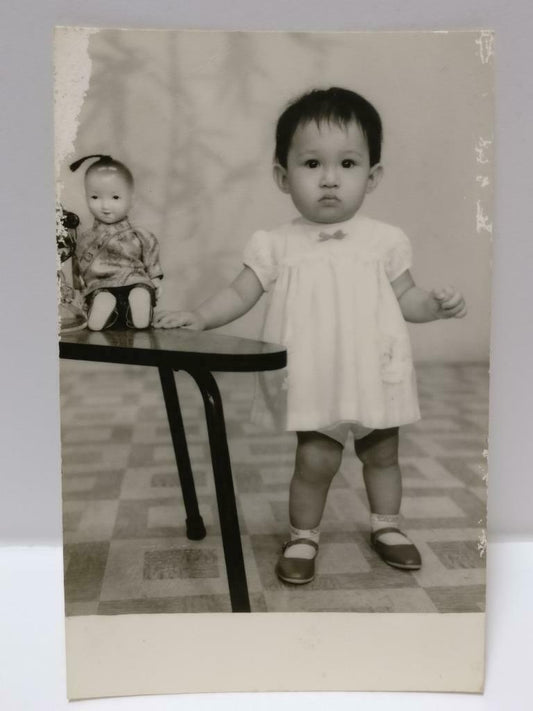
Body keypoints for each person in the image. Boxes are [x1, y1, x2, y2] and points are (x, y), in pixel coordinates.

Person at [154, 87, 467, 584]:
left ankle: (387, 526)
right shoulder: (276, 244)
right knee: (316, 459)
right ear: (283, 176)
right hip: (315, 373)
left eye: (347, 164)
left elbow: (407, 298)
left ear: (373, 175)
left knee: (383, 453)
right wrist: (198, 315)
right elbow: (240, 293)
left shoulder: (385, 240)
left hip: (375, 370)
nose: (328, 179)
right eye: (311, 164)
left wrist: (435, 305)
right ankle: (304, 535)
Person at [70, 154, 163, 330]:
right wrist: (78, 291)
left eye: (115, 198)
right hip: (99, 284)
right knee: (101, 296)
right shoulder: (83, 238)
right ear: (86, 196)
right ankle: (105, 309)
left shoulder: (140, 234)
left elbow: (151, 255)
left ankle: (138, 303)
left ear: (132, 199)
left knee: (141, 289)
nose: (105, 206)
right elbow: (77, 269)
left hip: (135, 279)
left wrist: (155, 280)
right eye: (95, 197)